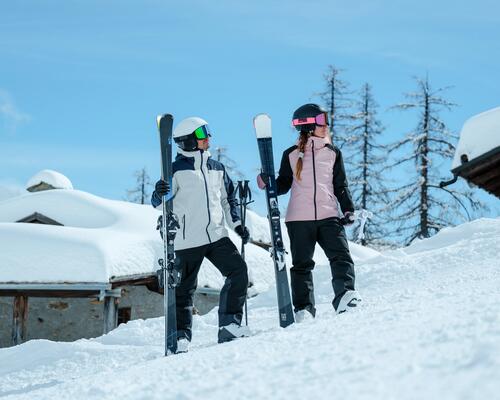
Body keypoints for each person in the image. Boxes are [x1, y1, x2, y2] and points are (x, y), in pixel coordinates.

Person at [152, 116, 251, 351]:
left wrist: (237, 225)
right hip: (187, 239)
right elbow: (159, 204)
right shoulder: (174, 170)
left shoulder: (217, 168)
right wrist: (159, 192)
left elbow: (228, 200)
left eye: (207, 132)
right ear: (187, 141)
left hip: (217, 235)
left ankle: (229, 325)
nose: (207, 137)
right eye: (201, 134)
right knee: (184, 290)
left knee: (239, 273)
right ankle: (180, 337)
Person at [257, 103, 361, 321]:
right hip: (299, 219)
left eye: (326, 120)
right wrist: (267, 183)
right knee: (302, 265)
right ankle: (304, 309)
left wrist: (348, 209)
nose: (326, 125)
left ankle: (345, 296)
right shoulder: (291, 155)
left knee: (341, 256)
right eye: (322, 121)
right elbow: (283, 185)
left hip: (329, 215)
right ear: (308, 125)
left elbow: (340, 185)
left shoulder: (333, 153)